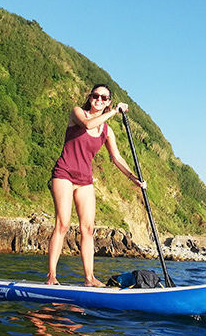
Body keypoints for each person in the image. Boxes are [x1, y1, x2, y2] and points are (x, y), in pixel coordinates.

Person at [47, 83, 145, 286]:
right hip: (64, 173)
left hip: (85, 180)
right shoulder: (78, 113)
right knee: (63, 224)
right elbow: (88, 125)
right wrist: (115, 112)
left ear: (108, 102)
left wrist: (133, 178)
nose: (99, 100)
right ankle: (52, 276)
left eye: (104, 98)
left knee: (88, 229)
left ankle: (89, 278)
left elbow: (117, 158)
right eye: (96, 96)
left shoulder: (107, 131)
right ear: (90, 97)